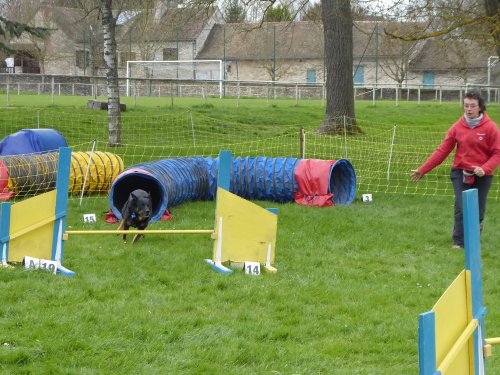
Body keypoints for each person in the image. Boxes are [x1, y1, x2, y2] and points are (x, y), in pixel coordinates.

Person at [410, 90, 500, 249]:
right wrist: (422, 170)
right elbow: (442, 151)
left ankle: (473, 239)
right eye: (466, 106)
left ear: (480, 107)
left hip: (483, 175)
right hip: (461, 173)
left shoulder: (491, 128)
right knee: (461, 206)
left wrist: (485, 168)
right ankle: (458, 242)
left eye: (473, 106)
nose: (469, 109)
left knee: (478, 209)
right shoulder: (457, 127)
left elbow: (497, 153)